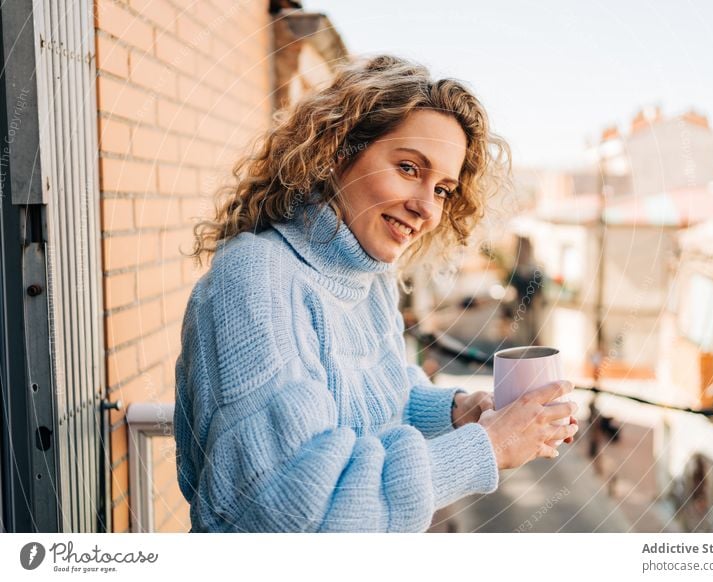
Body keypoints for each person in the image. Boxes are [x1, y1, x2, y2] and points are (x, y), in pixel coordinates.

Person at [174, 54, 579, 533]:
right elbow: (290, 508)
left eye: (443, 189)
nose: (426, 207)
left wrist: (457, 412)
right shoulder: (257, 278)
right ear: (337, 152)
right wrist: (486, 448)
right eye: (409, 168)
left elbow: (384, 399)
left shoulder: (368, 279)